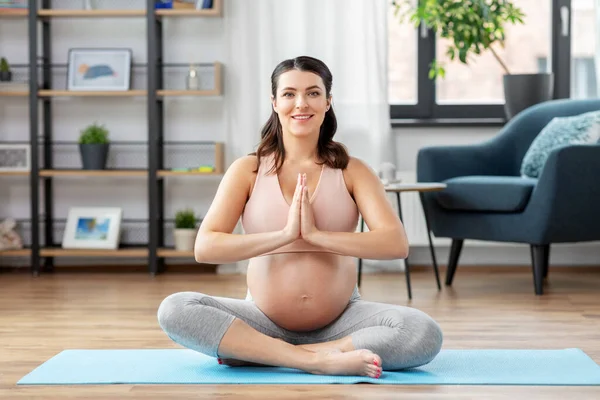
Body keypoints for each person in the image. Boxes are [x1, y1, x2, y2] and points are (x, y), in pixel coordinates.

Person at [157, 56, 443, 378]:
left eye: (313, 93)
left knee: (422, 331)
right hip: (261, 319)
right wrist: (285, 235)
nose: (301, 104)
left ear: (328, 101)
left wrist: (317, 235)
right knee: (175, 308)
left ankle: (265, 354)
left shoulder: (353, 170)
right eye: (290, 94)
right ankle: (316, 361)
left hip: (343, 321)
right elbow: (205, 247)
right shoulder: (247, 170)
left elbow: (395, 244)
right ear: (275, 102)